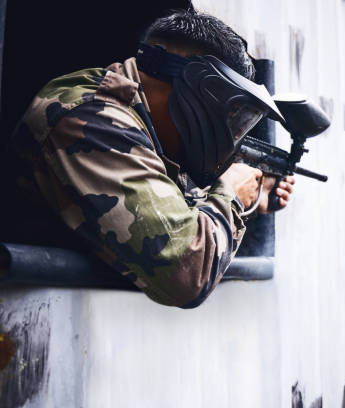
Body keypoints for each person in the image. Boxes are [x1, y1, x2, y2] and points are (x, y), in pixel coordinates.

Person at [4, 9, 295, 308]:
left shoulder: (140, 128)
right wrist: (231, 194)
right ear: (199, 90)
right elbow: (186, 273)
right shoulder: (91, 118)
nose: (229, 135)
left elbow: (178, 210)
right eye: (231, 115)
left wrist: (250, 201)